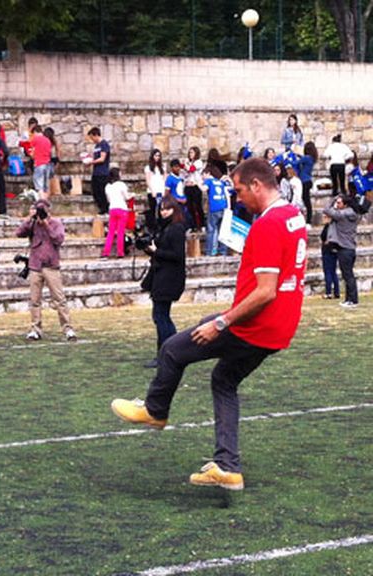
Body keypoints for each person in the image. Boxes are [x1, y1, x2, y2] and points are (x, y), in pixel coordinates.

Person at [112, 158, 308, 491]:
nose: (238, 197)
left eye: (240, 190)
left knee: (173, 350)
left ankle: (156, 411)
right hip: (279, 327)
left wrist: (222, 321)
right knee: (224, 379)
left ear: (257, 185)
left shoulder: (267, 225)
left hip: (254, 325)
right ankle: (227, 467)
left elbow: (265, 292)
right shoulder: (293, 215)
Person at [15, 199, 76, 342]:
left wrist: (46, 225)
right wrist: (29, 219)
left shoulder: (56, 224)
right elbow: (19, 233)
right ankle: (35, 329)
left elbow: (59, 239)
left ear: (49, 211)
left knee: (60, 299)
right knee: (34, 300)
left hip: (51, 266)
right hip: (35, 266)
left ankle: (68, 329)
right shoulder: (33, 224)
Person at [141, 196, 186, 368]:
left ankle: (169, 352)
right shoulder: (166, 228)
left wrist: (156, 251)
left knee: (161, 317)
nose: (163, 212)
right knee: (161, 316)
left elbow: (177, 256)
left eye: (167, 209)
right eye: (162, 209)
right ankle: (170, 352)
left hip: (168, 278)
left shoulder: (176, 229)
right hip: (162, 276)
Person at [323, 194, 358, 308]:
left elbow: (327, 210)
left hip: (345, 248)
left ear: (345, 204)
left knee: (348, 275)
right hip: (349, 248)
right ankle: (349, 299)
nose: (337, 205)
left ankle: (353, 300)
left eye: (339, 203)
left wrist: (333, 198)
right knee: (348, 275)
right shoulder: (350, 213)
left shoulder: (343, 214)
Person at [101, 167, 132, 258]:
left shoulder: (108, 186)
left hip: (112, 209)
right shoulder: (121, 185)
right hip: (122, 208)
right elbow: (126, 197)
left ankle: (106, 252)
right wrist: (132, 195)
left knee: (111, 232)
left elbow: (108, 200)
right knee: (120, 232)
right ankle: (120, 252)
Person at [200, 166, 230, 256]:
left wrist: (198, 183)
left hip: (214, 208)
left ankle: (209, 251)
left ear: (208, 174)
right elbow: (227, 193)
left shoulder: (209, 180)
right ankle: (223, 251)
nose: (203, 177)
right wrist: (228, 207)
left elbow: (203, 189)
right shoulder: (220, 182)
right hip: (223, 207)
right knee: (223, 231)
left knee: (211, 229)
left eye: (203, 175)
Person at [86, 127, 111, 215]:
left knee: (102, 191)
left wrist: (92, 162)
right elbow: (95, 157)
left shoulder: (104, 144)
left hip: (103, 172)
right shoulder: (96, 146)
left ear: (96, 135)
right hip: (96, 172)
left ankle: (105, 208)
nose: (92, 140)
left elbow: (102, 158)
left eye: (92, 137)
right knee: (95, 191)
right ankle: (102, 207)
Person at [183, 146, 205, 231]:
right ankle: (193, 225)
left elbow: (191, 169)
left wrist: (186, 164)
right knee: (190, 207)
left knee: (198, 206)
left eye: (192, 152)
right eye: (189, 152)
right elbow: (184, 172)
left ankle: (202, 224)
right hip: (188, 186)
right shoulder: (188, 162)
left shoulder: (198, 162)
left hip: (196, 186)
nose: (190, 154)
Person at [144, 149, 166, 232]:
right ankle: (153, 228)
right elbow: (148, 180)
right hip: (152, 191)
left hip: (161, 191)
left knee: (161, 210)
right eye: (156, 156)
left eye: (159, 156)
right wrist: (152, 190)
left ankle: (161, 228)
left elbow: (164, 179)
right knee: (153, 210)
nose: (157, 158)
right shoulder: (148, 168)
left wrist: (164, 190)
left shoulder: (162, 167)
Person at [320, 218, 341, 300]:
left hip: (328, 249)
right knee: (333, 271)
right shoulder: (337, 226)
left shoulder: (329, 226)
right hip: (335, 249)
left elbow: (323, 236)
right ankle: (336, 292)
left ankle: (328, 292)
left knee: (328, 271)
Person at [299, 142, 317, 223]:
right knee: (306, 201)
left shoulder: (306, 158)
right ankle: (308, 219)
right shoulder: (311, 158)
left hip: (305, 181)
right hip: (308, 180)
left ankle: (308, 221)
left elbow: (296, 163)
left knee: (306, 201)